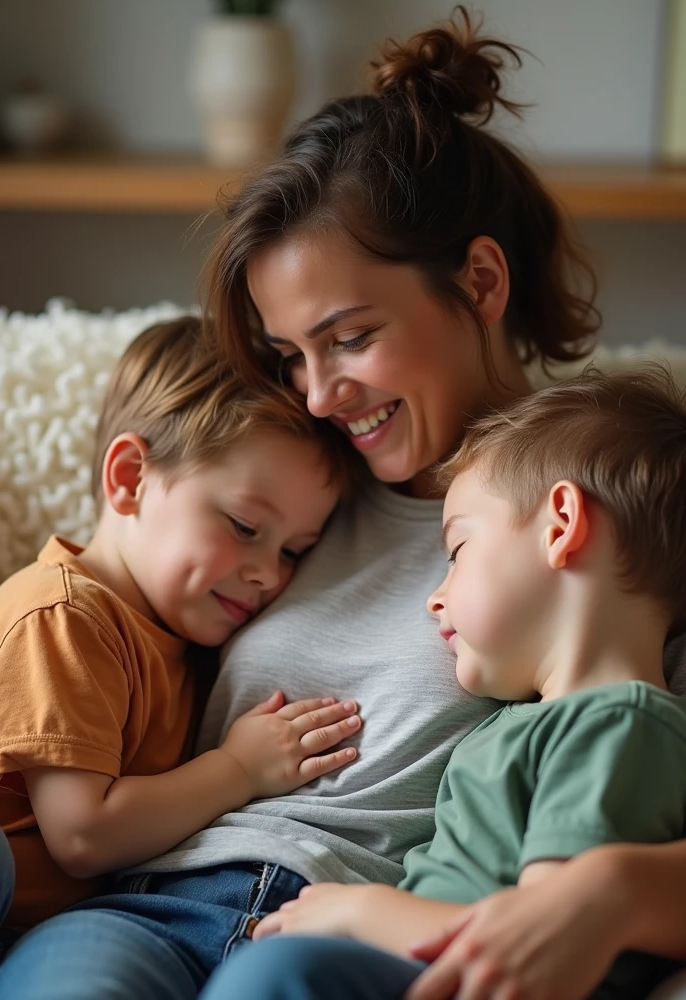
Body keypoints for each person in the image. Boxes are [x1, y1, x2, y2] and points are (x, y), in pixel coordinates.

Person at [0, 8, 685, 1000]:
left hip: (353, 926)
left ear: (480, 280)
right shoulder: (287, 487)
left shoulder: (608, 505)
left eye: (351, 337)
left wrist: (618, 887)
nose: (318, 394)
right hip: (158, 897)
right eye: (290, 356)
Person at [218, 365, 686, 1000]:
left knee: (279, 974)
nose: (435, 599)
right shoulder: (522, 722)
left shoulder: (619, 722)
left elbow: (535, 940)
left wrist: (358, 913)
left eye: (459, 551)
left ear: (561, 526)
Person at [0, 315, 360, 941]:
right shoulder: (64, 616)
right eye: (245, 527)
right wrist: (239, 769)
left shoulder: (184, 640)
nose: (267, 576)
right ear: (131, 478)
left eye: (293, 551)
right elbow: (82, 835)